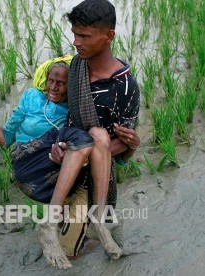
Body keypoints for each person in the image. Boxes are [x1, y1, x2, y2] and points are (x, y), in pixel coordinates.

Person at [0, 55, 95, 264]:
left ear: (71, 87)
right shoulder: (31, 97)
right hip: (27, 163)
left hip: (54, 166)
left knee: (73, 147)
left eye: (61, 83)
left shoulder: (72, 109)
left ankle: (68, 228)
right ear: (45, 79)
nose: (54, 87)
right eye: (51, 80)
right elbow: (6, 138)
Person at [42, 0, 141, 269]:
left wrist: (85, 153)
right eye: (74, 34)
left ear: (108, 36)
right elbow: (67, 118)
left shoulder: (124, 85)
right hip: (68, 163)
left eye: (84, 36)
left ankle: (94, 224)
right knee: (68, 248)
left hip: (97, 168)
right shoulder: (76, 68)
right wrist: (61, 145)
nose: (76, 42)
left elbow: (125, 139)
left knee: (85, 247)